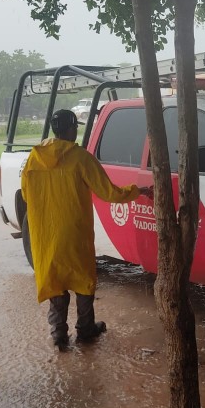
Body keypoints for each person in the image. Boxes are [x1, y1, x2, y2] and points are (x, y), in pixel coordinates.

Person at [21, 109, 153, 351]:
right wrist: (139, 190)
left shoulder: (33, 158)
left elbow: (27, 194)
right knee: (83, 280)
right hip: (74, 233)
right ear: (71, 129)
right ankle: (85, 330)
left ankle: (59, 335)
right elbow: (109, 193)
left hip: (46, 236)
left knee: (56, 281)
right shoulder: (81, 158)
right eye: (75, 127)